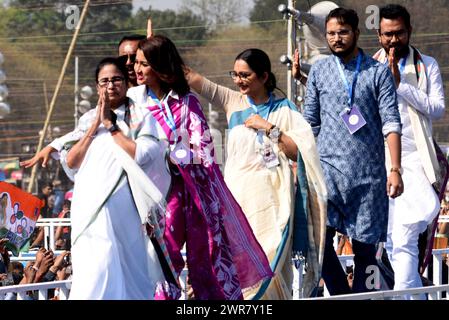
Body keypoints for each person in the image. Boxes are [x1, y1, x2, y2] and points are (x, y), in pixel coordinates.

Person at [131, 35, 273, 300]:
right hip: (153, 194)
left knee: (206, 253)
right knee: (163, 254)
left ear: (161, 67)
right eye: (136, 63)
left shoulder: (187, 102)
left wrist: (177, 155)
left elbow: (203, 150)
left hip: (192, 192)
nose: (136, 69)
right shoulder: (134, 102)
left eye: (143, 64)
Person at [185, 48, 327, 299]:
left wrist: (270, 128)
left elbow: (299, 153)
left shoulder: (285, 110)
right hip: (236, 201)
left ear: (263, 76)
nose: (238, 80)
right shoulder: (232, 102)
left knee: (270, 262)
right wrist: (158, 52)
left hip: (273, 203)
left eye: (245, 75)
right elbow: (191, 78)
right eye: (235, 74)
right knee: (238, 264)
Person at [302, 8, 403, 295]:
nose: (336, 38)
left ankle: (361, 296)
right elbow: (310, 122)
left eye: (343, 32)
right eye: (331, 33)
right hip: (326, 173)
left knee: (365, 253)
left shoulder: (377, 72)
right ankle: (341, 294)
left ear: (357, 34)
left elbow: (391, 121)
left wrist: (395, 169)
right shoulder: (319, 70)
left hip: (367, 177)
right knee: (318, 243)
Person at [62, 57, 175, 300]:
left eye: (116, 80)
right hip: (89, 205)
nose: (111, 85)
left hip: (126, 205)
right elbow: (71, 163)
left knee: (130, 270)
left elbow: (143, 154)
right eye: (105, 81)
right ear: (97, 87)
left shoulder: (141, 116)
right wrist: (95, 126)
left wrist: (111, 126)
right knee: (96, 267)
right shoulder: (86, 120)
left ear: (126, 82)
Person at [373, 4, 446, 299]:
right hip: (381, 161)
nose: (394, 40)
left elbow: (437, 109)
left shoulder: (426, 65)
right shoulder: (370, 67)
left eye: (399, 33)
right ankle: (415, 295)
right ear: (379, 35)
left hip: (415, 161)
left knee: (402, 238)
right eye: (388, 34)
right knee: (392, 242)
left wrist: (401, 85)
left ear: (409, 32)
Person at [20, 34, 144, 169]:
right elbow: (77, 141)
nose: (129, 63)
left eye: (136, 58)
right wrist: (52, 147)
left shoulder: (149, 104)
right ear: (97, 87)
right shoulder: (95, 114)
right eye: (123, 58)